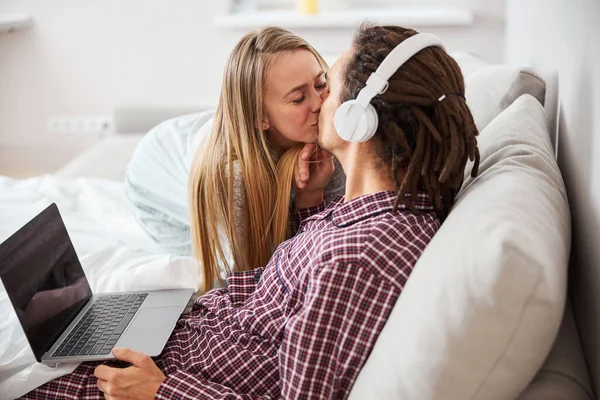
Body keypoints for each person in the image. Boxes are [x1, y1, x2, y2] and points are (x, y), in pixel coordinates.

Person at [23, 24, 479, 399]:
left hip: (164, 374)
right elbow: (299, 275)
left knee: (33, 344)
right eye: (303, 96)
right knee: (54, 326)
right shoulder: (365, 211)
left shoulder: (358, 259)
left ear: (358, 118)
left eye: (327, 86)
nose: (320, 105)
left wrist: (161, 392)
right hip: (183, 331)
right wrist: (308, 202)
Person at [124, 26, 346, 293]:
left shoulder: (329, 139)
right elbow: (262, 282)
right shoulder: (231, 177)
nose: (319, 103)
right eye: (299, 98)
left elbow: (329, 242)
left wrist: (311, 194)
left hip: (202, 131)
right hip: (152, 180)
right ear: (260, 117)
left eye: (321, 84)